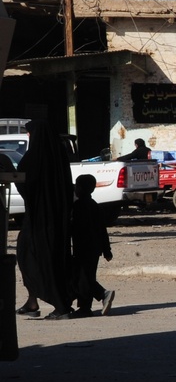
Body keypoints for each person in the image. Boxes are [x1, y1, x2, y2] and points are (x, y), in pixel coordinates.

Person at [14, 119, 74, 320]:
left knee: (32, 257)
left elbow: (25, 183)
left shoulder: (34, 157)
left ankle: (60, 306)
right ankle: (32, 302)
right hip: (57, 219)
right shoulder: (58, 155)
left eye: (30, 133)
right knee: (50, 259)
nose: (28, 136)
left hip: (39, 221)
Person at [69, 174, 115, 319]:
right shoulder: (95, 205)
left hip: (83, 247)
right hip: (94, 248)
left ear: (80, 188)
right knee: (86, 276)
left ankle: (95, 299)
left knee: (83, 278)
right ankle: (89, 303)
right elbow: (102, 230)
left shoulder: (78, 206)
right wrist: (107, 250)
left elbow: (75, 228)